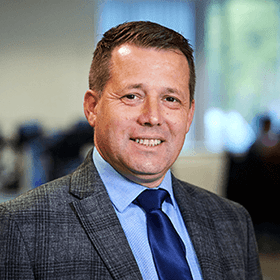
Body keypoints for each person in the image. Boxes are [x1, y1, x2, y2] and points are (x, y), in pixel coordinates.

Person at [0, 21, 262, 279]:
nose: (152, 117)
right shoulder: (22, 226)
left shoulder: (232, 221)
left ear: (189, 114)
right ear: (92, 107)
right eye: (132, 96)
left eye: (170, 99)